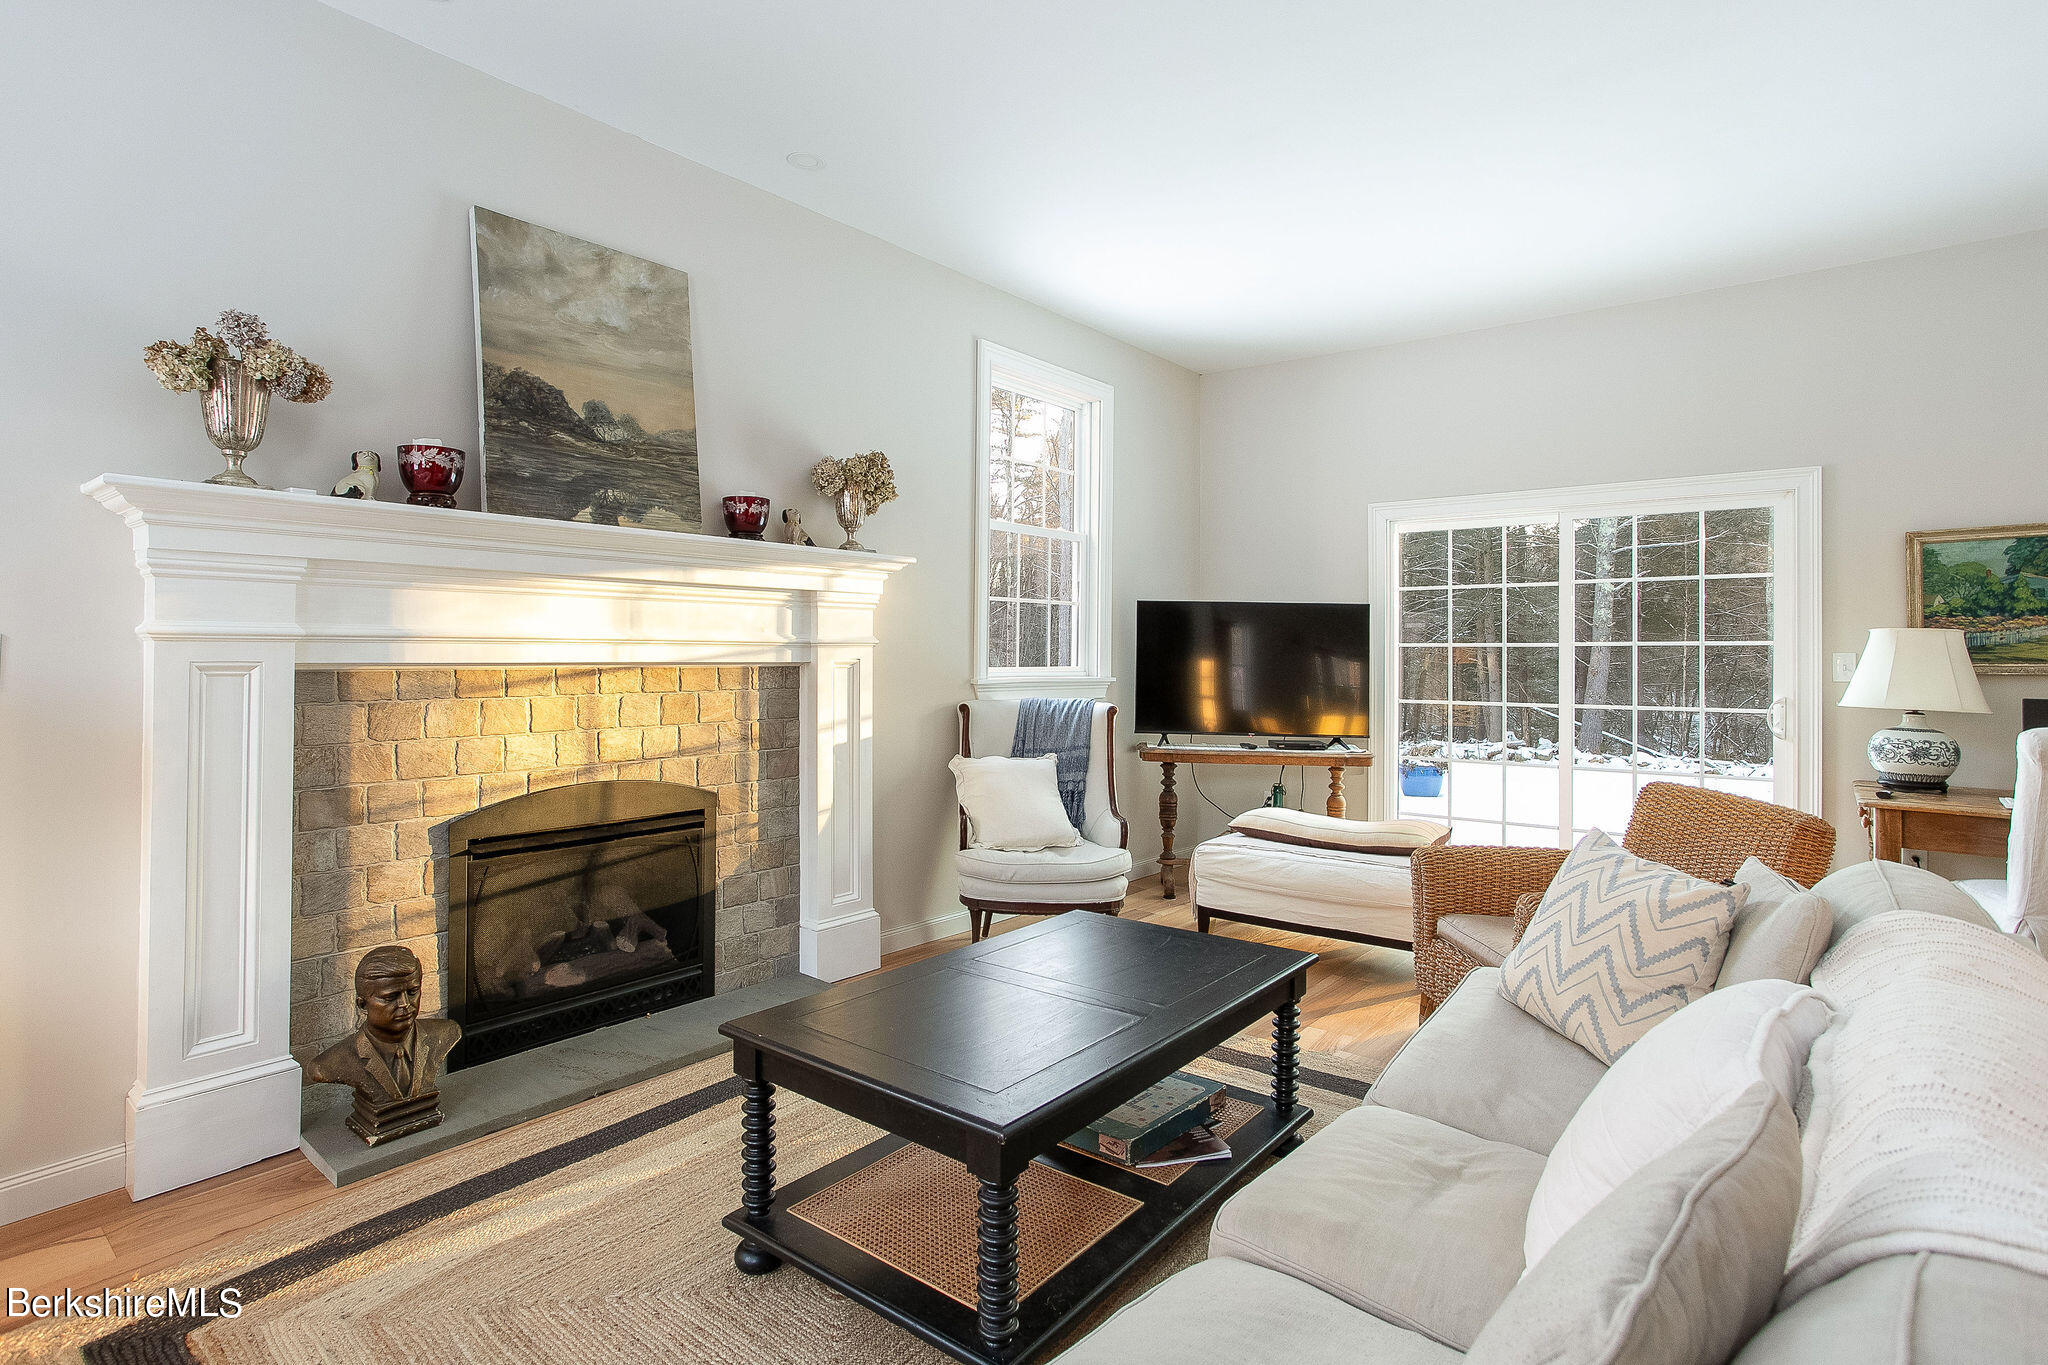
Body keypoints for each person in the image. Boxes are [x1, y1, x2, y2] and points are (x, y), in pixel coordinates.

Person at [306, 945, 461, 1108]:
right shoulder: (330, 1063)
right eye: (390, 997)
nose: (405, 1004)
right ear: (362, 1005)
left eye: (412, 992)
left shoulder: (446, 1032)